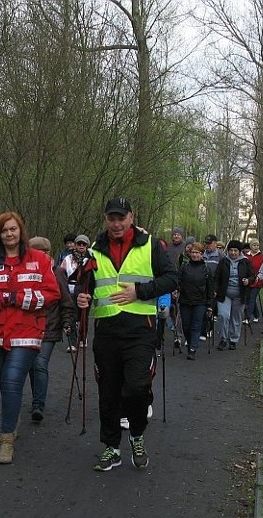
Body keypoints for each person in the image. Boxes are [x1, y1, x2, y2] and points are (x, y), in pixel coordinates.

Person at [76, 197, 178, 471]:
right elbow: (84, 285)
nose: (117, 223)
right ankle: (111, 448)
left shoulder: (151, 246)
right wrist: (81, 298)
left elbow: (172, 278)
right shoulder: (94, 250)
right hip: (107, 332)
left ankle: (136, 436)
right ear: (105, 219)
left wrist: (140, 291)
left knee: (135, 388)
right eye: (112, 218)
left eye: (121, 218)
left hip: (140, 330)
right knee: (108, 394)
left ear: (131, 218)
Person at [0, 211, 60, 464]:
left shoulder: (39, 260)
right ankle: (12, 419)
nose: (9, 234)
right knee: (7, 384)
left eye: (13, 229)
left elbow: (51, 293)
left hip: (27, 332)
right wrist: (4, 298)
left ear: (21, 232)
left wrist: (20, 299)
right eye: (4, 230)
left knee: (11, 380)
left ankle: (6, 440)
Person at [27, 236, 75, 422]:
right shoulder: (25, 273)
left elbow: (66, 300)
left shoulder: (58, 272)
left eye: (39, 253)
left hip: (50, 326)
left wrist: (67, 322)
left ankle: (38, 405)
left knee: (39, 364)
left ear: (47, 253)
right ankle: (36, 398)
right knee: (31, 366)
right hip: (29, 328)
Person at [175, 242, 214, 359]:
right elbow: (178, 281)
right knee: (186, 326)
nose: (195, 255)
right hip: (185, 301)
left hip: (200, 302)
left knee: (196, 325)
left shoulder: (206, 269)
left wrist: (210, 305)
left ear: (202, 254)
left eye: (197, 252)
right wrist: (175, 289)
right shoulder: (184, 267)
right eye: (193, 252)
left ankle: (192, 349)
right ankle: (190, 342)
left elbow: (210, 288)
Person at [214, 239, 254, 350]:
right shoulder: (223, 261)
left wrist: (248, 280)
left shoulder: (246, 262)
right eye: (231, 250)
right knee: (223, 315)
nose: (233, 253)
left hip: (239, 294)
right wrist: (215, 289)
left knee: (236, 318)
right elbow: (217, 277)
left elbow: (252, 276)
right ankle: (223, 339)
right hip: (224, 294)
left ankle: (233, 339)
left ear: (240, 251)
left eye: (235, 251)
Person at [60, 234, 92, 351]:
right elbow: (62, 274)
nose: (81, 246)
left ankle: (83, 338)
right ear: (75, 245)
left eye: (84, 244)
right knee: (72, 316)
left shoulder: (91, 259)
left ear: (87, 245)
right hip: (70, 291)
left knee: (83, 316)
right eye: (79, 244)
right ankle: (73, 343)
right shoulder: (68, 259)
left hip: (85, 291)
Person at [245, 240, 263, 323]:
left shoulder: (262, 256)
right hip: (248, 280)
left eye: (257, 245)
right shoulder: (246, 256)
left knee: (251, 298)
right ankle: (256, 315)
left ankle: (247, 317)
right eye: (254, 245)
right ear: (250, 246)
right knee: (249, 298)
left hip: (257, 281)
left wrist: (259, 277)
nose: (256, 247)